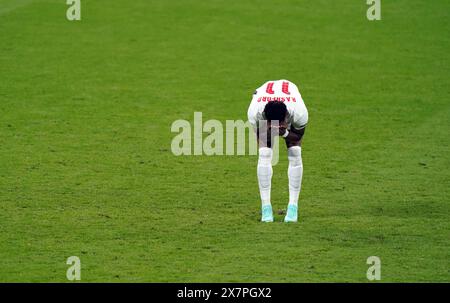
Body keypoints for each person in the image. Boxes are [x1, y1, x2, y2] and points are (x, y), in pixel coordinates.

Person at [247, 80, 308, 222]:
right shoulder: (255, 112)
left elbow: (298, 136)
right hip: (263, 96)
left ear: (286, 117)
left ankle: (293, 207)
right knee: (264, 153)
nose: (276, 126)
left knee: (295, 152)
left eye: (280, 123)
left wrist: (285, 133)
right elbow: (261, 138)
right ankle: (266, 208)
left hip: (290, 92)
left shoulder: (299, 112)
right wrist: (269, 130)